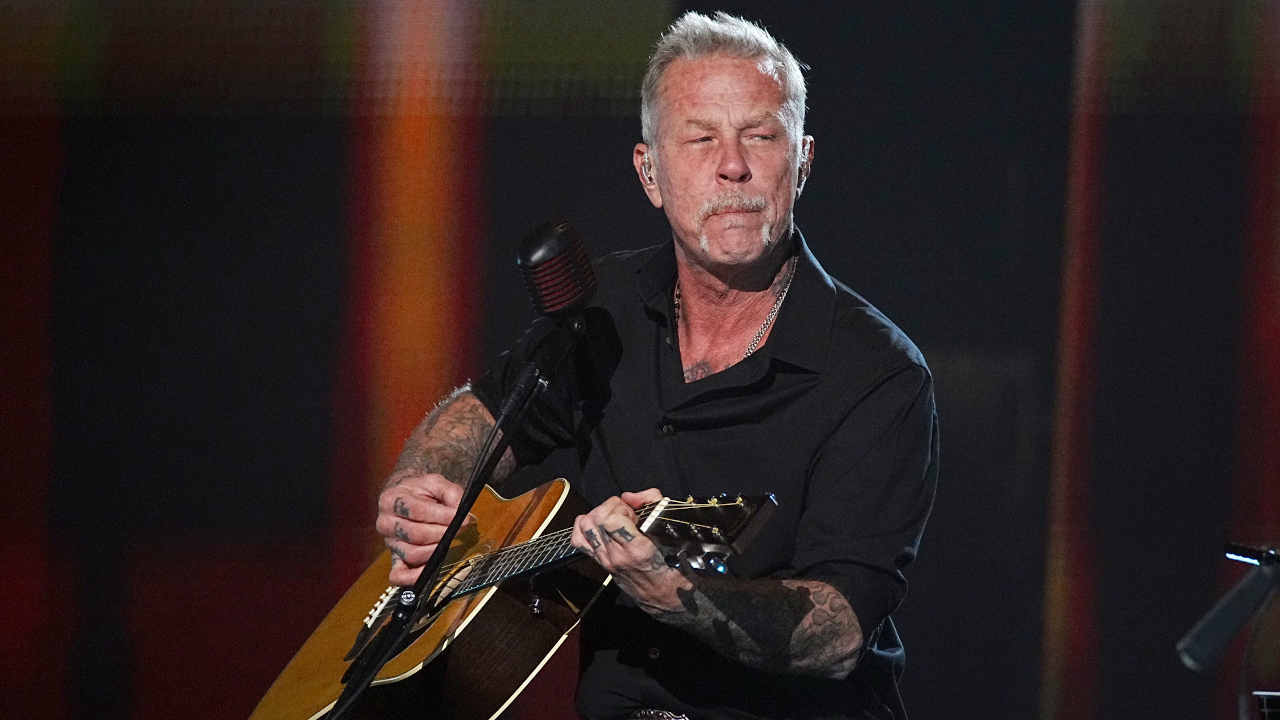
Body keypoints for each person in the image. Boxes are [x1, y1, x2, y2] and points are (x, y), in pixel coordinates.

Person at [375, 11, 938, 719]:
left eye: (761, 136)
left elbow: (840, 629)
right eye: (701, 138)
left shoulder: (879, 375)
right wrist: (422, 489)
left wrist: (675, 595)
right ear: (650, 174)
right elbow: (482, 412)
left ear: (803, 162)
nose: (732, 165)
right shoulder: (602, 309)